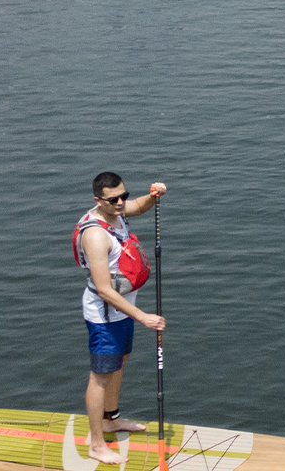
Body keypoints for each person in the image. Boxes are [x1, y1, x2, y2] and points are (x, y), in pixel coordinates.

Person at [73, 172, 166, 465]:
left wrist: (153, 196)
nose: (121, 203)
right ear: (97, 200)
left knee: (119, 363)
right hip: (105, 316)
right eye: (113, 199)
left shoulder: (118, 211)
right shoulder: (96, 235)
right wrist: (143, 317)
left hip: (123, 312)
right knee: (100, 375)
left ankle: (110, 419)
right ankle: (97, 445)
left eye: (123, 195)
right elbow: (103, 290)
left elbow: (137, 206)